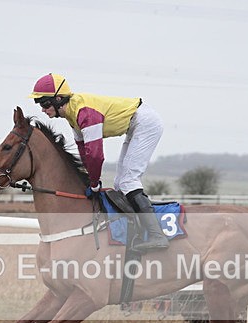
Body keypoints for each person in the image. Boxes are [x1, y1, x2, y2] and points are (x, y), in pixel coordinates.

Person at [29, 73, 169, 252]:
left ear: (58, 99)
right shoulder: (72, 115)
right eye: (39, 104)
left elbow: (95, 155)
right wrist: (88, 178)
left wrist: (94, 183)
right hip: (135, 125)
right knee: (120, 183)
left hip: (145, 123)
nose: (42, 109)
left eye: (45, 103)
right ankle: (136, 229)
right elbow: (83, 151)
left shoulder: (84, 113)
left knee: (128, 181)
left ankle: (157, 235)